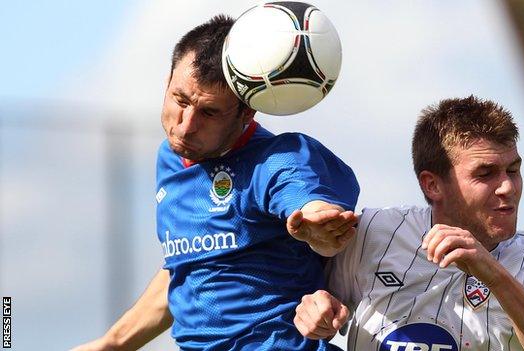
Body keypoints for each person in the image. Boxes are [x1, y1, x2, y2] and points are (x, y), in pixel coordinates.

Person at [72, 15, 359, 351]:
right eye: (180, 100)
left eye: (209, 112)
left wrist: (317, 226)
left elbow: (308, 204)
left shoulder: (278, 159)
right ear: (167, 81)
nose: (186, 124)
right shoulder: (170, 158)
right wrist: (110, 344)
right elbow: (187, 270)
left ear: (246, 113)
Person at [293, 96, 524, 351]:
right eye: (486, 174)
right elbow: (313, 302)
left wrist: (494, 275)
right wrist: (315, 308)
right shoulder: (374, 232)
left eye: (512, 170)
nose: (507, 187)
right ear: (433, 185)